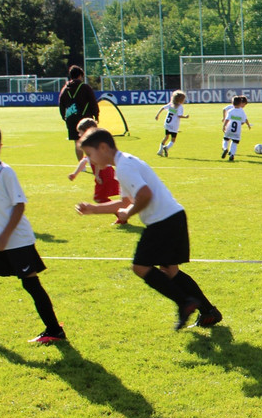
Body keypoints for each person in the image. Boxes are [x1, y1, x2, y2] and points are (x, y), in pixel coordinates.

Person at [76, 129, 222, 330]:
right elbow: (126, 201)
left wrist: (128, 213)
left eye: (89, 154)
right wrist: (94, 209)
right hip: (174, 216)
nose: (89, 159)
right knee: (170, 271)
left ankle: (184, 302)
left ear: (103, 148)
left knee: (140, 266)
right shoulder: (124, 163)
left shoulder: (125, 166)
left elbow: (144, 195)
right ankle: (209, 312)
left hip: (163, 220)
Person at [0, 122, 64, 344]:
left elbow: (19, 206)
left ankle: (54, 330)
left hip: (17, 240)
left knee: (30, 283)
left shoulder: (5, 173)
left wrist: (5, 235)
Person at [68, 118, 121, 207]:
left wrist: (97, 175)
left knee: (99, 198)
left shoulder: (93, 146)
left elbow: (97, 162)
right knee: (100, 197)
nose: (79, 135)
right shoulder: (90, 145)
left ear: (87, 131)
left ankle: (121, 210)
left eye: (80, 132)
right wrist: (75, 173)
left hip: (104, 173)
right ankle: (121, 211)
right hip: (105, 173)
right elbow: (84, 160)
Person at [58, 65, 99, 160]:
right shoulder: (85, 87)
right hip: (85, 119)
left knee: (77, 142)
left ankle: (81, 164)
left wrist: (65, 117)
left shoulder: (65, 89)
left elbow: (61, 105)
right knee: (90, 141)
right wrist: (96, 115)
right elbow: (93, 102)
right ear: (80, 75)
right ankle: (93, 163)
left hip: (71, 119)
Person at [154, 90, 189, 157]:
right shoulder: (180, 107)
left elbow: (162, 108)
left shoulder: (171, 104)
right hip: (174, 125)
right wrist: (185, 117)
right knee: (173, 139)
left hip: (167, 123)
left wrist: (157, 115)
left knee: (166, 137)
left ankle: (160, 151)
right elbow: (179, 115)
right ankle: (166, 147)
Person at [221, 96, 251, 162]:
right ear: (240, 103)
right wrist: (248, 124)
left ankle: (225, 148)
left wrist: (224, 126)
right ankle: (232, 154)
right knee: (234, 142)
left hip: (229, 129)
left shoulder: (230, 111)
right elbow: (244, 120)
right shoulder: (242, 111)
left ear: (232, 103)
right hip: (237, 131)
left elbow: (227, 119)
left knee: (226, 139)